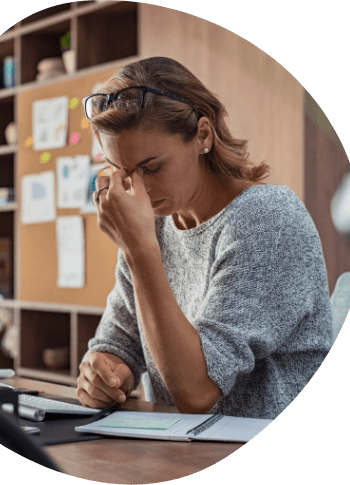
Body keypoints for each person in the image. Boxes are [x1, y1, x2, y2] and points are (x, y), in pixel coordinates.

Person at [76, 57, 333, 419]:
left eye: (152, 168)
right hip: (182, 453)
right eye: (122, 170)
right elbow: (119, 341)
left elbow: (197, 392)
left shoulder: (267, 219)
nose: (140, 190)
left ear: (202, 135)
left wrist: (139, 249)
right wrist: (104, 372)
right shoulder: (156, 227)